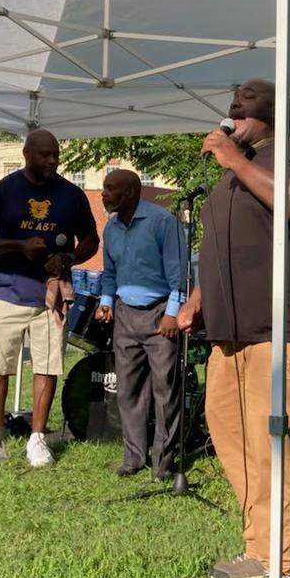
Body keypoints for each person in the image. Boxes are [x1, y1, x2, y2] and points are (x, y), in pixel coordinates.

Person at [177, 78, 290, 578]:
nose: (232, 109)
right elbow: (223, 245)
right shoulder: (232, 173)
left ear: (271, 110)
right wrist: (198, 299)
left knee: (271, 448)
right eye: (230, 105)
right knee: (232, 441)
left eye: (243, 103)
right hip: (229, 333)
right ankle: (259, 547)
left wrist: (234, 159)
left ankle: (285, 568)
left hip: (279, 328)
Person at [0, 129, 99, 472]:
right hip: (6, 292)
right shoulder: (4, 190)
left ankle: (37, 438)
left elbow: (91, 240)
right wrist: (18, 246)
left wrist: (68, 259)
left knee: (47, 367)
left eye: (56, 155)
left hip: (50, 296)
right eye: (44, 155)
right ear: (26, 154)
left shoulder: (71, 194)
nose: (52, 161)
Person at [93, 169, 186, 480]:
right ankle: (134, 457)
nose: (103, 193)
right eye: (104, 187)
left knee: (165, 390)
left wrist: (172, 313)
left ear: (131, 192)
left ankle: (163, 462)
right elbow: (110, 272)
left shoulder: (162, 222)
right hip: (125, 314)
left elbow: (179, 273)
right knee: (128, 390)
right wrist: (106, 301)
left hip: (160, 313)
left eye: (110, 188)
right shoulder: (111, 228)